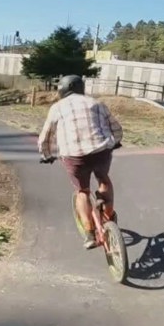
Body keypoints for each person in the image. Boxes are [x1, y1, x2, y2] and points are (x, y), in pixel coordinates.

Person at [38, 74, 123, 249]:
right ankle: (108, 215)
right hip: (101, 150)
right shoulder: (96, 103)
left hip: (74, 155)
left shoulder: (57, 108)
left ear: (62, 90)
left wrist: (46, 155)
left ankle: (89, 234)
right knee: (103, 178)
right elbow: (116, 128)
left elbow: (44, 138)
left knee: (82, 191)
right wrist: (116, 141)